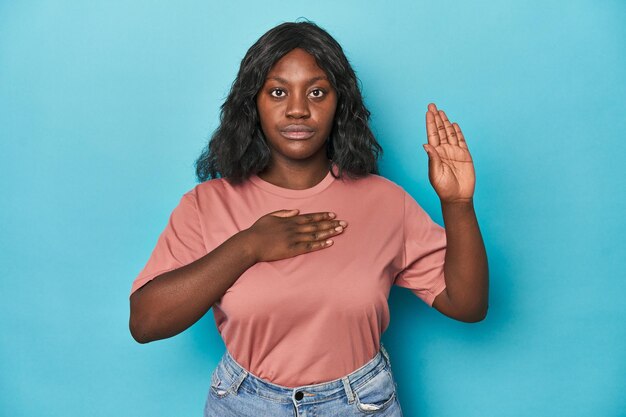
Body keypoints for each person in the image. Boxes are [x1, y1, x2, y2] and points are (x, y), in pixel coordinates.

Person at [129, 21, 488, 417]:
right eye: (278, 91)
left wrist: (458, 204)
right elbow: (145, 322)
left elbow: (468, 305)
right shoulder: (207, 204)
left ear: (340, 103)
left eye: (316, 92)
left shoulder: (386, 202)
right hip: (245, 405)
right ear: (254, 102)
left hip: (360, 404)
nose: (298, 108)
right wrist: (248, 246)